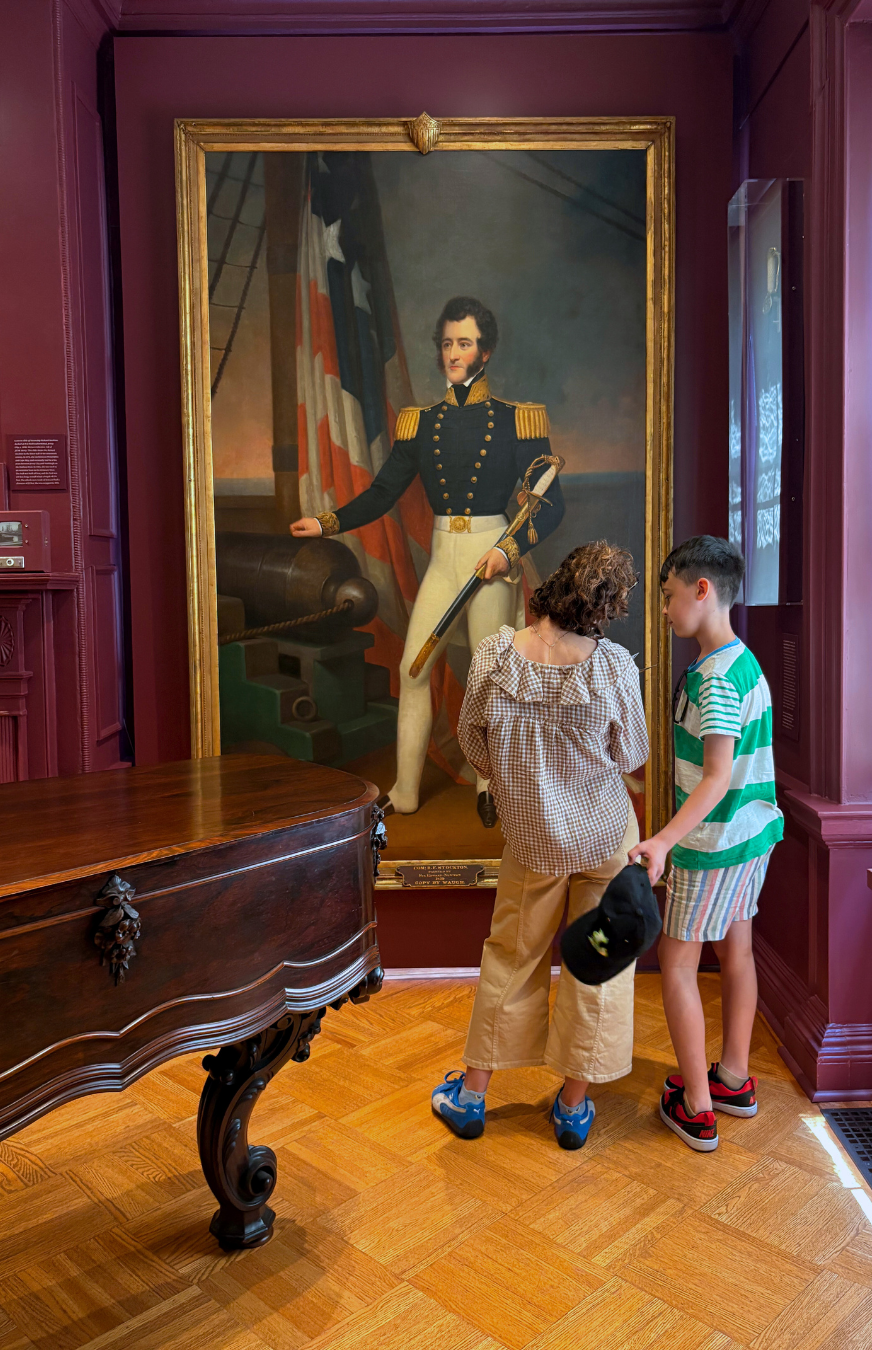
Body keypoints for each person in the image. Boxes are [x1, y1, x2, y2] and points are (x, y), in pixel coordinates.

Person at [289, 296, 565, 827]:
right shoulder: (422, 423)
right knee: (413, 668)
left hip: (490, 557)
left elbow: (551, 503)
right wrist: (327, 523)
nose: (453, 353)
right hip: (443, 560)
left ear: (485, 352)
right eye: (447, 343)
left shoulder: (517, 420)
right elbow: (382, 493)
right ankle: (406, 790)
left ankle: (490, 786)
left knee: (490, 677)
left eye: (465, 343)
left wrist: (507, 551)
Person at [429, 542, 649, 1149]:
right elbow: (631, 754)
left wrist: (520, 782)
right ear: (605, 607)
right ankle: (572, 1109)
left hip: (532, 841)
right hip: (605, 838)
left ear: (555, 584)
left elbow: (472, 741)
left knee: (511, 955)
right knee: (599, 962)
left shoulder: (496, 655)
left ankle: (471, 1098)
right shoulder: (612, 667)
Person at [630, 535, 784, 1152]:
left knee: (677, 963)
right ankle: (734, 1079)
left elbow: (717, 777)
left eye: (669, 596)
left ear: (702, 590)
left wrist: (665, 840)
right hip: (752, 835)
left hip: (712, 845)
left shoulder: (716, 678)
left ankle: (696, 1106)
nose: (666, 610)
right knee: (737, 951)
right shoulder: (743, 662)